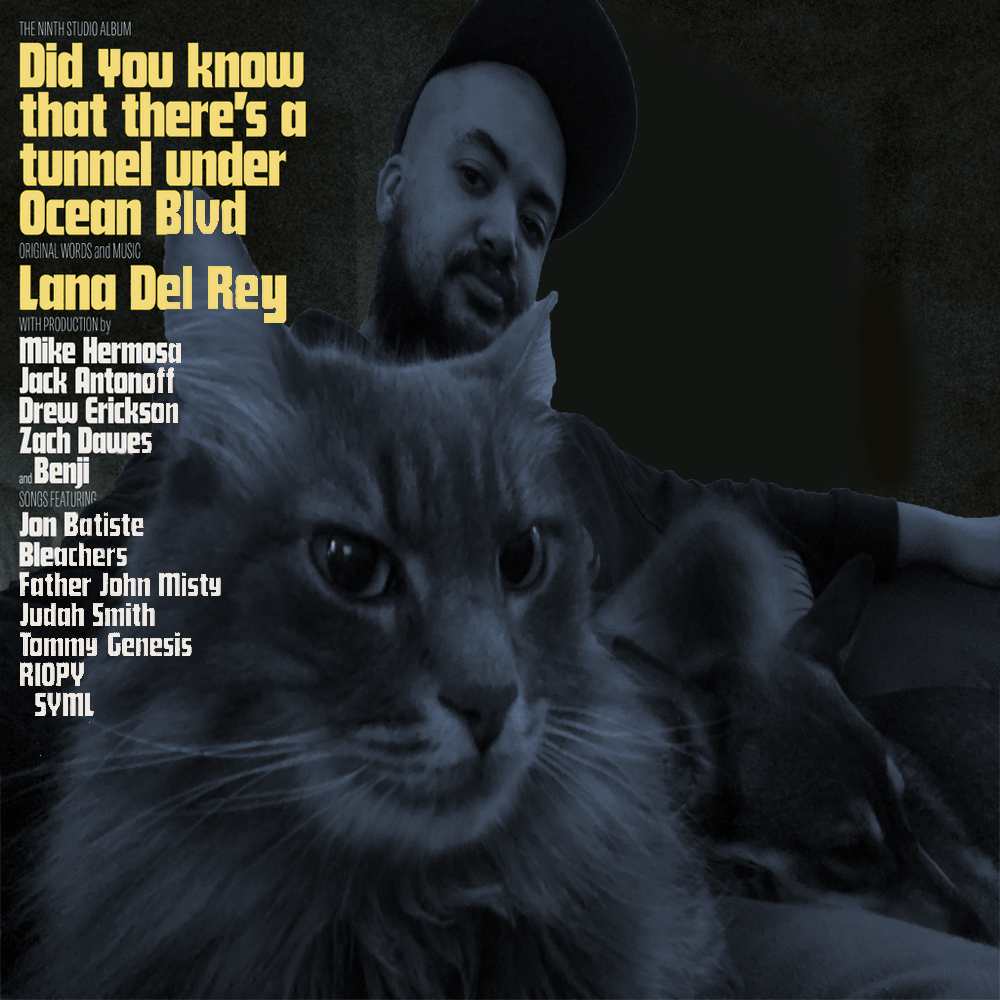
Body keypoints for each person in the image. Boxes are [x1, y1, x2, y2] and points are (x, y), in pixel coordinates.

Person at [3, 0, 998, 995]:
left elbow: (749, 504)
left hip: (614, 869)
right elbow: (81, 612)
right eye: (474, 178)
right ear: (393, 186)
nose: (501, 234)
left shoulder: (567, 447)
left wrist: (957, 537)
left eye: (532, 221)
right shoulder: (284, 388)